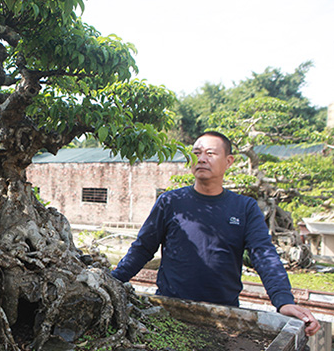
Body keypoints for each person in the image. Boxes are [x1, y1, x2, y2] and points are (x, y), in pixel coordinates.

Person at [111, 131, 320, 336]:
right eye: (196, 153)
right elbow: (143, 248)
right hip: (169, 309)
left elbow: (263, 253)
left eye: (210, 153)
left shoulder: (244, 207)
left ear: (229, 161)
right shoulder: (170, 202)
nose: (201, 159)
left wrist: (283, 301)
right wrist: (113, 281)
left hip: (225, 316)